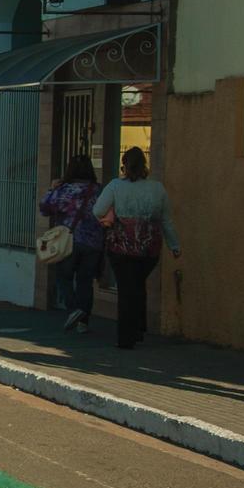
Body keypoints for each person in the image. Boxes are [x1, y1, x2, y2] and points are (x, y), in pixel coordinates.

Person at [93, 147, 180, 349]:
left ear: (124, 164)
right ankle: (140, 328)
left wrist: (110, 217)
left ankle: (126, 337)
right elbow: (166, 221)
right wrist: (174, 245)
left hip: (121, 246)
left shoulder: (115, 186)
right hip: (148, 248)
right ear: (144, 165)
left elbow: (98, 210)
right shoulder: (157, 189)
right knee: (138, 285)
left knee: (126, 290)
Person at [40, 153, 105, 333]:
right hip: (93, 242)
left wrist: (51, 189)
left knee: (63, 277)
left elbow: (45, 208)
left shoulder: (64, 190)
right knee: (85, 281)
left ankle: (73, 309)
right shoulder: (98, 190)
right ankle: (83, 322)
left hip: (68, 242)